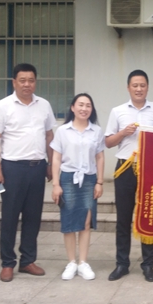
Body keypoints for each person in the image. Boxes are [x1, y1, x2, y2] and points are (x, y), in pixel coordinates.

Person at [0, 63, 56, 283]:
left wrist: (50, 164)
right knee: (9, 217)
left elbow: (49, 136)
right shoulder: (3, 106)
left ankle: (27, 260)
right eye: (23, 80)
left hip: (37, 168)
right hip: (12, 169)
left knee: (33, 217)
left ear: (35, 82)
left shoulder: (44, 105)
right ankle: (8, 263)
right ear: (14, 82)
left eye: (31, 80)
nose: (27, 84)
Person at [104, 70, 153, 282]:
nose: (139, 89)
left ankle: (148, 264)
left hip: (149, 168)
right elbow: (108, 142)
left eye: (142, 85)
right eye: (135, 85)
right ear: (128, 87)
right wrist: (123, 133)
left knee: (148, 218)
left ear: (147, 87)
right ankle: (122, 264)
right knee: (123, 218)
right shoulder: (118, 111)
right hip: (125, 168)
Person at [50, 93, 105, 281]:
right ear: (73, 108)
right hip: (68, 179)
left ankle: (83, 262)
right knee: (69, 222)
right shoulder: (62, 131)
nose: (84, 108)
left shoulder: (96, 131)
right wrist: (56, 184)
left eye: (88, 105)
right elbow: (56, 158)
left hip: (89, 179)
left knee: (86, 222)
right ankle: (71, 262)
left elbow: (100, 157)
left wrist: (99, 182)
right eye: (80, 105)